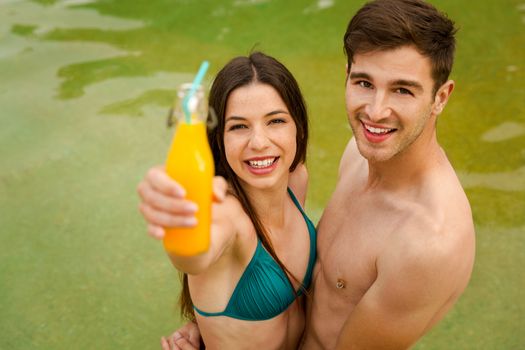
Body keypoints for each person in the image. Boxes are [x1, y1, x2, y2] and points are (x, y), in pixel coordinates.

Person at [161, 0, 476, 349]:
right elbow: (209, 254)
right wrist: (214, 320)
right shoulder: (357, 155)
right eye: (364, 83)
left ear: (440, 97)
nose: (375, 110)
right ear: (347, 76)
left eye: (402, 89)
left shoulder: (429, 242)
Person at [137, 52, 316, 349]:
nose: (259, 142)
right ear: (219, 139)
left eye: (275, 121)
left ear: (297, 125)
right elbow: (192, 257)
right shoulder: (225, 215)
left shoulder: (296, 181)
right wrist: (175, 221)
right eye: (239, 126)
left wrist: (200, 324)